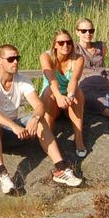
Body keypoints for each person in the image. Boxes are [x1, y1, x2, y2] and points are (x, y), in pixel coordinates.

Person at [0, 44, 84, 194]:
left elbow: (39, 105)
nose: (15, 62)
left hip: (11, 132)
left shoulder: (22, 80)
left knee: (40, 119)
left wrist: (35, 118)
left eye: (17, 58)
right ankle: (3, 174)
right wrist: (14, 126)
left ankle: (61, 169)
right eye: (11, 59)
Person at [38, 29, 87, 157]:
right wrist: (59, 96)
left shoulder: (78, 59)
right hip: (52, 98)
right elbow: (51, 79)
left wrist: (69, 96)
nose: (66, 45)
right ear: (55, 44)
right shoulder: (46, 57)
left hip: (68, 101)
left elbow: (74, 80)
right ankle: (48, 135)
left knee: (78, 92)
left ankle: (78, 137)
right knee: (50, 92)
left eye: (69, 42)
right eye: (61, 43)